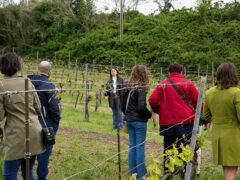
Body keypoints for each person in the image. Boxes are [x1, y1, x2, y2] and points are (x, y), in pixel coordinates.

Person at [0, 53, 45, 180]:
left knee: (9, 174)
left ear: (1, 67)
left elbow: (0, 116)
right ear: (18, 66)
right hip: (34, 132)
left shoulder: (1, 85)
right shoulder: (27, 81)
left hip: (16, 135)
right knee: (27, 172)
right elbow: (38, 107)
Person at [148, 62, 200, 172]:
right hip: (186, 122)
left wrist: (159, 111)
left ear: (169, 72)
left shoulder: (162, 84)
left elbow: (152, 100)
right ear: (181, 72)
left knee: (168, 149)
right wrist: (204, 118)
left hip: (168, 122)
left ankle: (168, 172)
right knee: (185, 148)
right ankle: (185, 173)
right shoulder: (188, 83)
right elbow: (198, 102)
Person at [203, 63, 240, 180]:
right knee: (230, 175)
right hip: (234, 136)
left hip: (218, 136)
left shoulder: (209, 93)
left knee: (228, 172)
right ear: (234, 75)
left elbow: (206, 115)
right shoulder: (236, 92)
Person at [28, 61, 61, 180]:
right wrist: (57, 120)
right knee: (45, 151)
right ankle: (42, 176)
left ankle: (28, 174)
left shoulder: (27, 82)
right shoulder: (48, 85)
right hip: (46, 122)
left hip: (29, 121)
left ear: (38, 69)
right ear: (49, 71)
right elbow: (53, 107)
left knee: (30, 150)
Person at [121, 65, 152, 180]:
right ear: (144, 74)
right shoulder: (141, 87)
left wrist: (128, 114)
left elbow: (123, 105)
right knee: (139, 147)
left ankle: (133, 174)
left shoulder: (126, 85)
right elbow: (141, 107)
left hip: (129, 121)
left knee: (132, 147)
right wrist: (149, 115)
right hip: (139, 122)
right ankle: (141, 176)